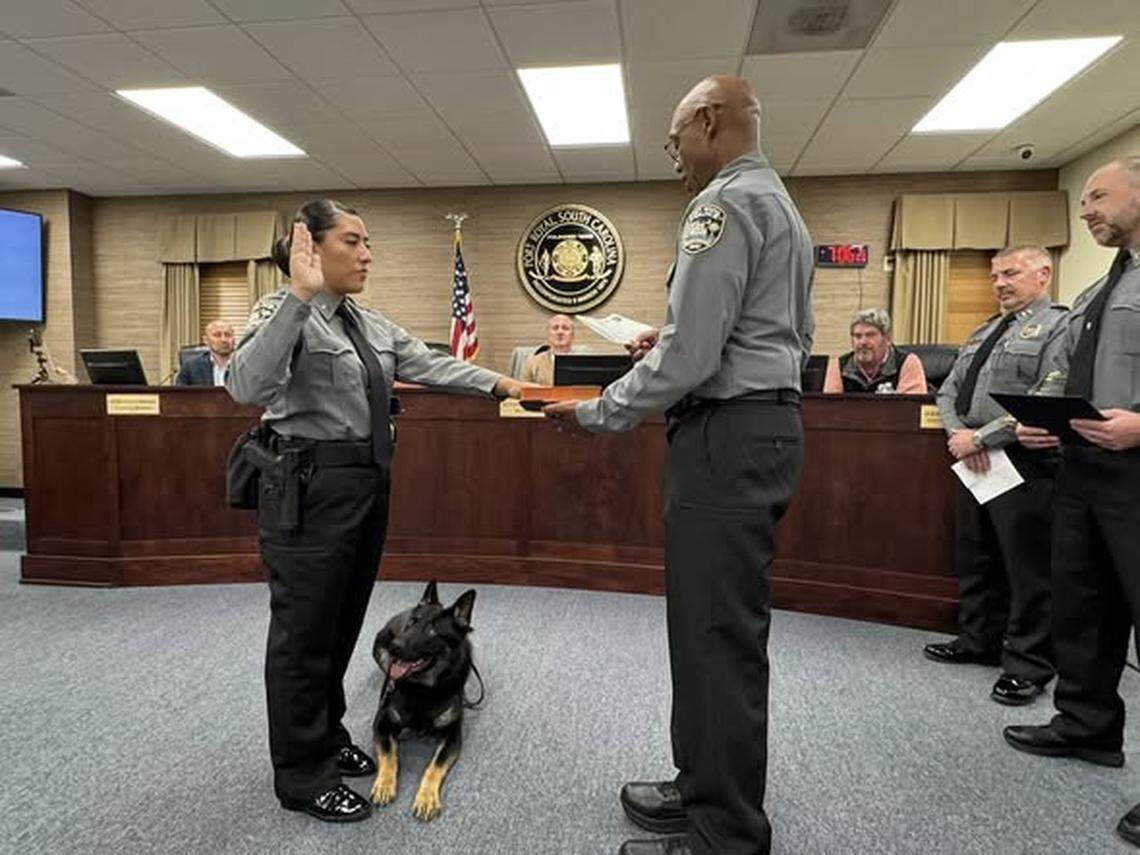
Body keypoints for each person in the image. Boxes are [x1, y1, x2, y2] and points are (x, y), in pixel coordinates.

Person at [545, 75, 813, 855]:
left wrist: (600, 411)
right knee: (709, 627)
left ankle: (725, 832)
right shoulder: (779, 203)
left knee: (715, 635)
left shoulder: (722, 204)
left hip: (725, 437)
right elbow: (733, 336)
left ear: (706, 119)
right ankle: (700, 786)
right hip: (753, 426)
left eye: (674, 143)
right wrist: (664, 351)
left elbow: (695, 354)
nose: (674, 160)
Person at [225, 199, 522, 824]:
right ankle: (302, 775)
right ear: (308, 247)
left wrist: (504, 385)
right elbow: (246, 386)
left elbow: (430, 361)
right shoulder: (282, 313)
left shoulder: (367, 322)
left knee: (340, 626)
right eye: (353, 242)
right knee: (303, 636)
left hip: (362, 486)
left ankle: (327, 733)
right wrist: (298, 298)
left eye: (368, 244)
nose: (366, 254)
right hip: (306, 490)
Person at [1001, 157, 1140, 848]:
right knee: (1083, 604)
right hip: (1082, 468)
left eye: (1097, 195)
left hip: (1136, 463)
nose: (1083, 209)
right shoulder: (1100, 286)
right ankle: (1087, 725)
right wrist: (1041, 417)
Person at [922, 245, 1065, 705]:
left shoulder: (1058, 327)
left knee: (1026, 568)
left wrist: (980, 439)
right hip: (972, 459)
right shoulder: (984, 329)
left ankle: (1028, 664)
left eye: (1011, 273)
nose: (1000, 282)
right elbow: (948, 391)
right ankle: (979, 640)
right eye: (995, 276)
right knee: (976, 554)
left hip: (1022, 462)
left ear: (1043, 274)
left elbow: (1048, 396)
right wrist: (959, 433)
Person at [821, 308, 927, 393]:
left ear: (887, 338)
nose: (863, 342)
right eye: (858, 336)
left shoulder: (907, 363)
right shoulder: (838, 366)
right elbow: (830, 409)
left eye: (870, 335)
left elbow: (910, 409)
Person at [520, 314, 574, 385]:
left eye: (565, 328)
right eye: (555, 328)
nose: (560, 332)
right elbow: (524, 392)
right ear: (548, 333)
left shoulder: (583, 362)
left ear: (572, 335)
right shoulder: (531, 363)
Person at [175, 320, 234, 386]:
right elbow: (179, 394)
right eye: (217, 335)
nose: (224, 340)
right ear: (206, 340)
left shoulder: (244, 365)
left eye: (228, 335)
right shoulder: (190, 367)